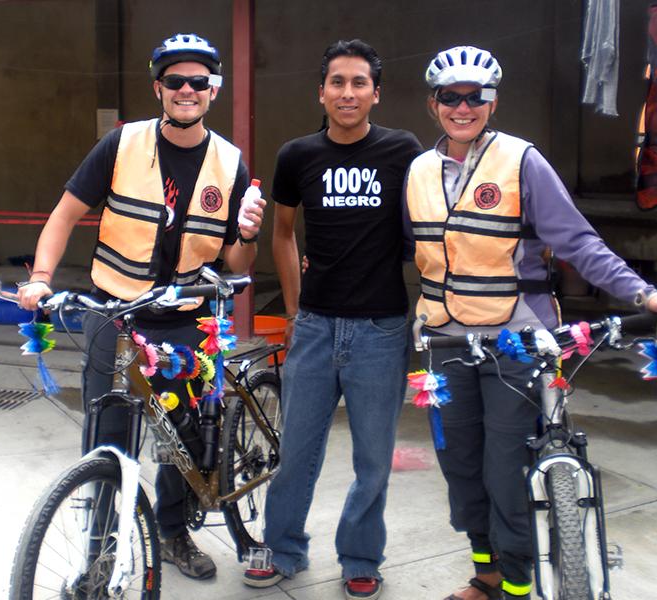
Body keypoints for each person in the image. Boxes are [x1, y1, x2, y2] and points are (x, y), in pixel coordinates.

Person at [403, 46, 657, 600]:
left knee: (505, 470)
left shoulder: (521, 161)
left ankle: (516, 583)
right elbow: (400, 245)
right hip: (443, 341)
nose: (463, 107)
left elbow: (577, 241)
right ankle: (486, 574)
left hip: (516, 340)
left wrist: (643, 293)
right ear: (432, 104)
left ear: (493, 102)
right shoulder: (417, 171)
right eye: (450, 96)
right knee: (461, 469)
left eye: (476, 97)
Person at [16, 32, 265, 581]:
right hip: (114, 309)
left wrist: (248, 232)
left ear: (214, 89)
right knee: (106, 432)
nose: (186, 90)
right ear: (158, 88)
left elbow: (236, 258)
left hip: (185, 318)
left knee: (181, 437)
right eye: (175, 80)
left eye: (198, 81)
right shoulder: (121, 144)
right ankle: (100, 551)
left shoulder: (230, 163)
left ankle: (173, 533)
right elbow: (63, 216)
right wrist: (40, 279)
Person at [242, 39, 423, 600]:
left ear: (376, 93)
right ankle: (283, 547)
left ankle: (361, 556)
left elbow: (426, 227)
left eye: (359, 82)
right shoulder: (297, 155)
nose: (348, 93)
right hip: (316, 326)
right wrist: (294, 309)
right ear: (320, 92)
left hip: (381, 329)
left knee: (373, 459)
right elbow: (282, 233)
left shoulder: (403, 151)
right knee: (297, 450)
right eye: (337, 82)